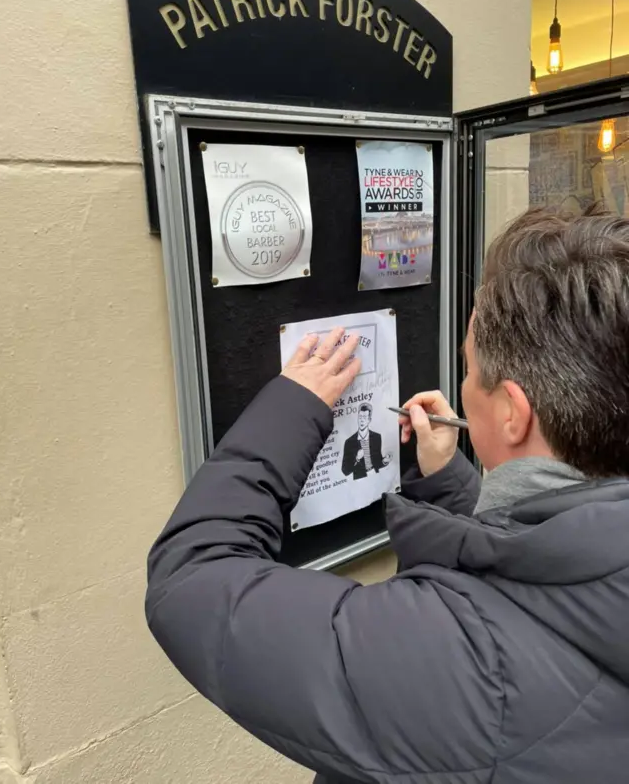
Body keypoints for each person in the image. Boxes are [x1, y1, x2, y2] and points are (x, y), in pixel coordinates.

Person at [145, 205, 629, 783]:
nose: (464, 384)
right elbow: (539, 574)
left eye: (471, 370)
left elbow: (190, 577)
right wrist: (453, 485)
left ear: (510, 414)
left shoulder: (464, 667)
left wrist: (292, 406)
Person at [341, 403, 391, 479]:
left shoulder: (376, 437)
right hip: (360, 481)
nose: (361, 420)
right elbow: (345, 471)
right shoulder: (349, 442)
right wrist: (357, 458)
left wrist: (385, 461)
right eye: (360, 417)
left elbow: (377, 462)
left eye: (364, 417)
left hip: (376, 477)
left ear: (369, 420)